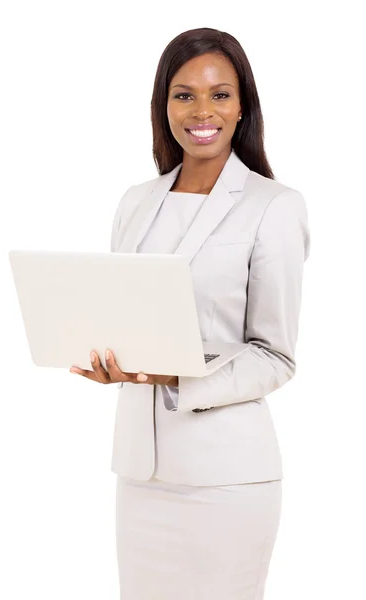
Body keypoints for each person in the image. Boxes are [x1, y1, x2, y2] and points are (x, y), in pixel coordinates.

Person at [70, 27, 310, 600]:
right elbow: (123, 312)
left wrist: (179, 374)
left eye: (220, 94)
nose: (202, 111)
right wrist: (107, 356)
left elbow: (275, 356)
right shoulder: (137, 201)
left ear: (242, 106)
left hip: (226, 478)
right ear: (163, 106)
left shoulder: (273, 207)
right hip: (142, 475)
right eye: (184, 95)